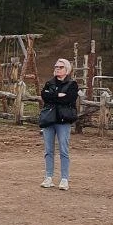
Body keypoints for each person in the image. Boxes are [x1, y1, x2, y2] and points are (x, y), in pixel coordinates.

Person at [39, 58, 79, 190]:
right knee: (48, 150)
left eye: (60, 67)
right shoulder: (49, 83)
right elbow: (44, 96)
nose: (57, 69)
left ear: (67, 70)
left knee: (63, 150)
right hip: (49, 120)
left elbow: (69, 99)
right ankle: (48, 177)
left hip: (63, 121)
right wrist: (58, 95)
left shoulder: (72, 84)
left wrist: (54, 96)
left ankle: (64, 179)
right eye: (56, 66)